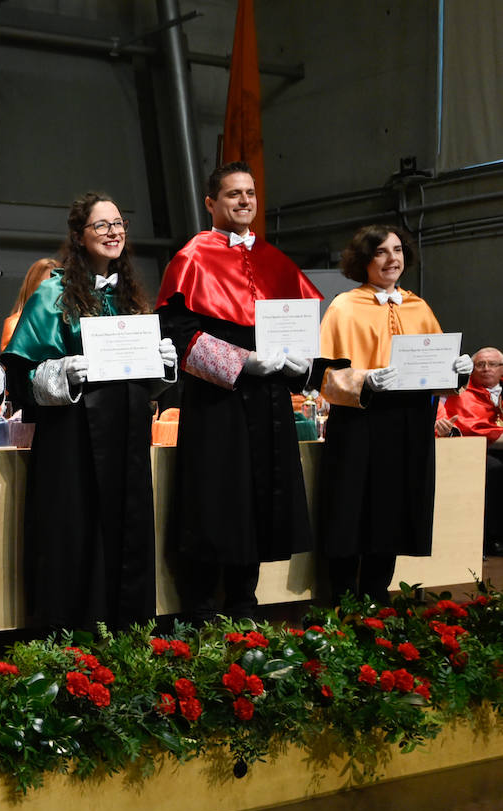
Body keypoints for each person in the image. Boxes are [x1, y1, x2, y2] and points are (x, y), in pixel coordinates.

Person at [156, 161, 326, 619]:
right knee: (214, 499)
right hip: (217, 401)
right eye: (233, 194)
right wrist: (241, 362)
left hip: (268, 403)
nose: (244, 201)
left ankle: (245, 603)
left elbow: (301, 331)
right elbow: (177, 336)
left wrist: (299, 364)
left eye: (250, 193)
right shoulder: (191, 257)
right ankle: (199, 607)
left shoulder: (275, 260)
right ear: (211, 203)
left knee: (259, 497)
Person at [1, 193, 176, 631]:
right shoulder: (52, 292)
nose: (113, 231)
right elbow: (20, 376)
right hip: (72, 441)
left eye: (119, 224)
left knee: (128, 533)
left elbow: (141, 382)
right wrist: (63, 372)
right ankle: (73, 639)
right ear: (79, 237)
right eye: (101, 225)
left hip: (127, 439)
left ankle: (128, 636)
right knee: (74, 537)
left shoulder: (130, 294)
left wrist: (163, 366)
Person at [317, 226, 471, 601]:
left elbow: (436, 372)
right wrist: (365, 380)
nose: (392, 259)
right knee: (351, 507)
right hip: (360, 419)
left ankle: (376, 594)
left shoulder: (419, 306)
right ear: (364, 259)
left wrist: (457, 373)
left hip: (408, 421)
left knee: (392, 508)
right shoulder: (344, 306)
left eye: (398, 250)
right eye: (382, 252)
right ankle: (339, 597)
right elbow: (326, 371)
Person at [437, 347, 503, 555]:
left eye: (492, 364)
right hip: (469, 449)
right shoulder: (459, 392)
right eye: (480, 364)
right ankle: (491, 538)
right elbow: (466, 427)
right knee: (494, 469)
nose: (486, 369)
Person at [0, 257, 60, 354]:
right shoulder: (15, 324)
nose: (52, 291)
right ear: (32, 288)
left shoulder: (70, 324)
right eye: (46, 286)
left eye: (56, 285)